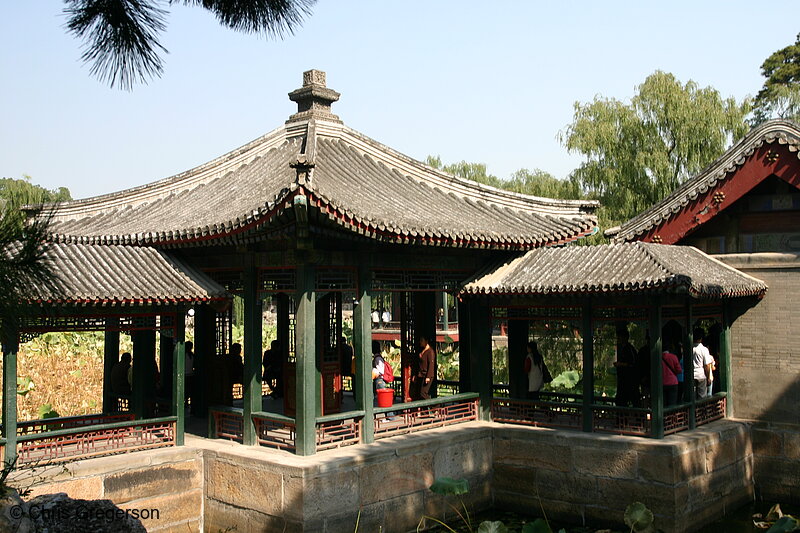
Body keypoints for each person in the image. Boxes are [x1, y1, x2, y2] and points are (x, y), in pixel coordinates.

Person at [614, 327, 639, 407]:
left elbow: (633, 363)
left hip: (629, 381)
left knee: (629, 400)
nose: (618, 339)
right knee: (621, 400)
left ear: (625, 338)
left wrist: (621, 364)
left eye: (619, 337)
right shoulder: (624, 348)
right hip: (624, 380)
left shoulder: (629, 349)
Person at [371, 340, 396, 419]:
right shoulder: (378, 357)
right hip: (378, 381)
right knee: (374, 397)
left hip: (379, 380)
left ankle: (390, 416)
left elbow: (381, 371)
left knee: (384, 399)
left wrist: (374, 370)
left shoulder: (377, 358)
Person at [692, 327, 714, 399]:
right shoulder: (704, 349)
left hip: (691, 374)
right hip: (701, 374)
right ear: (701, 338)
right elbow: (707, 365)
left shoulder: (689, 348)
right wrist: (708, 377)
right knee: (702, 397)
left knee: (692, 396)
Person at [661, 342, 683, 407]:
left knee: (664, 403)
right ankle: (671, 417)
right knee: (672, 403)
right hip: (673, 382)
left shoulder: (657, 358)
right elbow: (679, 370)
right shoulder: (673, 357)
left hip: (662, 383)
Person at [416, 335, 436, 400]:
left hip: (427, 375)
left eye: (422, 340)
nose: (420, 342)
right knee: (419, 393)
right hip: (421, 374)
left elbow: (431, 365)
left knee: (423, 393)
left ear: (426, 341)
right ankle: (425, 409)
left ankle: (435, 406)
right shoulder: (422, 350)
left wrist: (428, 377)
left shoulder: (430, 352)